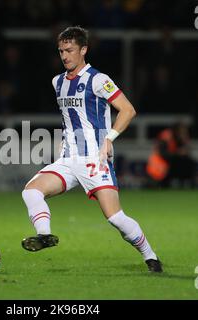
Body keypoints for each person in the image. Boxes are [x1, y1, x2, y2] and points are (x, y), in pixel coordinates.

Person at [21, 26, 162, 273]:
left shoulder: (98, 80)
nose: (64, 56)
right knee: (31, 192)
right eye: (61, 51)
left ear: (83, 49)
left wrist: (110, 138)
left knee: (115, 218)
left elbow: (128, 110)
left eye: (70, 50)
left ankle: (151, 257)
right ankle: (44, 235)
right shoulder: (57, 82)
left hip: (95, 159)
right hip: (68, 159)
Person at [146, 122, 198, 188]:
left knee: (189, 163)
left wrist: (184, 141)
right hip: (159, 163)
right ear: (176, 130)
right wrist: (178, 153)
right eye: (182, 131)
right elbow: (163, 153)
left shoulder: (179, 138)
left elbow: (185, 151)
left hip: (170, 162)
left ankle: (186, 185)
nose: (183, 133)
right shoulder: (166, 136)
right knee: (156, 186)